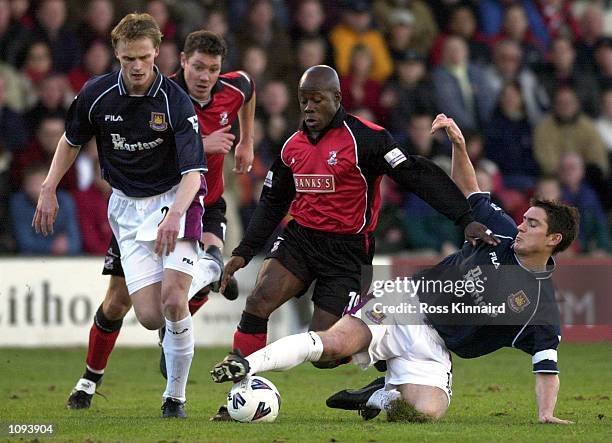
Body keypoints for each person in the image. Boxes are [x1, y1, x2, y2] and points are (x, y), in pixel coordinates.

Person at [211, 113, 579, 425]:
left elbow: (547, 364)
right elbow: (470, 191)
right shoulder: (500, 231)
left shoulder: (539, 307)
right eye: (524, 219)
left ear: (553, 240)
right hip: (405, 303)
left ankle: (379, 394)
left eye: (532, 224)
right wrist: (459, 146)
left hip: (437, 346)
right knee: (333, 345)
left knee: (426, 413)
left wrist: (546, 413)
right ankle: (248, 365)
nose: (521, 226)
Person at [212, 65, 497, 420]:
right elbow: (272, 203)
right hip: (301, 238)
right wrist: (242, 253)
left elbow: (415, 174)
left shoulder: (368, 139)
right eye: (304, 101)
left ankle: (380, 365)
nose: (309, 108)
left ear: (337, 98)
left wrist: (464, 218)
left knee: (325, 352)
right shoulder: (292, 146)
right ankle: (236, 397)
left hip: (348, 251)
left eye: (317, 100)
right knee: (258, 301)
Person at [64, 30, 256, 409]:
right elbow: (151, 148)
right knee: (119, 303)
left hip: (200, 201)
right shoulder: (165, 97)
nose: (205, 76)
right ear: (181, 62)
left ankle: (174, 352)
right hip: (142, 206)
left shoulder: (234, 88)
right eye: (198, 66)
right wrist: (205, 143)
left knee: (174, 297)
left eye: (213, 69)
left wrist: (247, 139)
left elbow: (248, 91)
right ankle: (91, 378)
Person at [33, 13, 207, 418]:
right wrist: (48, 186)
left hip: (172, 199)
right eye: (128, 58)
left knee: (173, 299)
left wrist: (174, 215)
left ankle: (174, 399)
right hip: (127, 209)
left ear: (157, 53)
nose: (137, 66)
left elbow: (193, 174)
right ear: (117, 54)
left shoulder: (174, 101)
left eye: (145, 57)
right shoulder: (96, 94)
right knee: (148, 317)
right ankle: (204, 274)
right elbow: (70, 139)